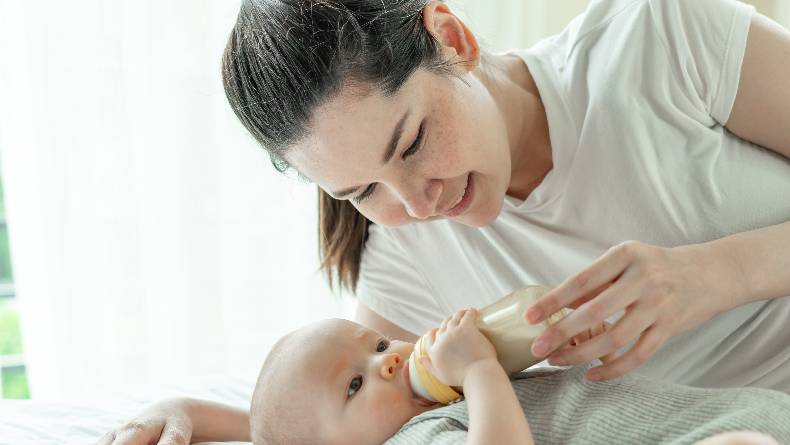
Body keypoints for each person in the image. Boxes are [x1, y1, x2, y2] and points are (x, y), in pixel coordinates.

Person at [101, 0, 790, 443]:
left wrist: (713, 273)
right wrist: (199, 414)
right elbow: (343, 412)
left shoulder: (660, 40)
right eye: (364, 188)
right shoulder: (403, 255)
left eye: (412, 143)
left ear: (452, 38)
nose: (418, 204)